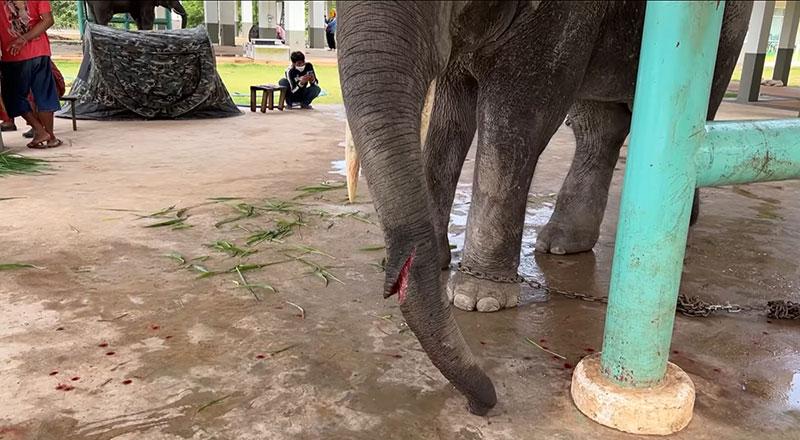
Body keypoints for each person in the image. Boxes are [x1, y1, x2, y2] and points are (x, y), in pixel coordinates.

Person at [0, 0, 61, 148]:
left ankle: (39, 130)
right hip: (40, 52)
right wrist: (25, 38)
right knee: (45, 94)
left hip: (14, 55)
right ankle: (51, 137)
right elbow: (48, 20)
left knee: (13, 96)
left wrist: (22, 39)